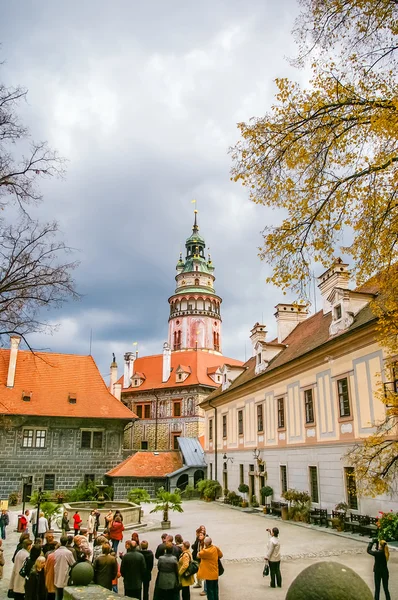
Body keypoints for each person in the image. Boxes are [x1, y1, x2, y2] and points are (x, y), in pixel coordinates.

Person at [54, 535, 76, 600]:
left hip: (57, 573)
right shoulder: (68, 553)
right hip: (64, 573)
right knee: (62, 593)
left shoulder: (56, 551)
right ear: (67, 542)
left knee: (58, 592)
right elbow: (72, 563)